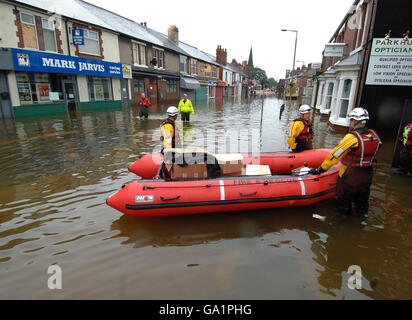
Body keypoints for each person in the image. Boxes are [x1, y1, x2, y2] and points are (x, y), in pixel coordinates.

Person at [309, 107, 381, 218]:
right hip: (367, 175)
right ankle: (362, 220)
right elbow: (378, 145)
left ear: (355, 121)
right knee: (362, 203)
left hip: (351, 175)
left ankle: (342, 224)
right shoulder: (374, 135)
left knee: (344, 204)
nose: (351, 122)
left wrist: (321, 169)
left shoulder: (352, 137)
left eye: (352, 120)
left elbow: (335, 155)